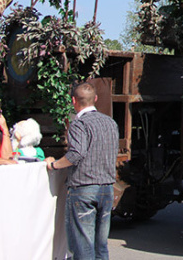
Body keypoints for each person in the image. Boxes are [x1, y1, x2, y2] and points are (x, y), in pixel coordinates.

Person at [46, 82, 119, 260]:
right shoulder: (110, 122)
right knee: (101, 247)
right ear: (95, 99)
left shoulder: (79, 124)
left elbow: (76, 153)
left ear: (73, 101)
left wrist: (54, 164)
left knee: (83, 247)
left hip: (84, 188)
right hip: (107, 188)